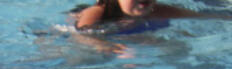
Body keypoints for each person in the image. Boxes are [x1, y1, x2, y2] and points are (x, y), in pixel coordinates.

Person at [74, 0, 209, 30]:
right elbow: (83, 37)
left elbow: (205, 17)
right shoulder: (96, 12)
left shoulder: (158, 11)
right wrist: (108, 47)